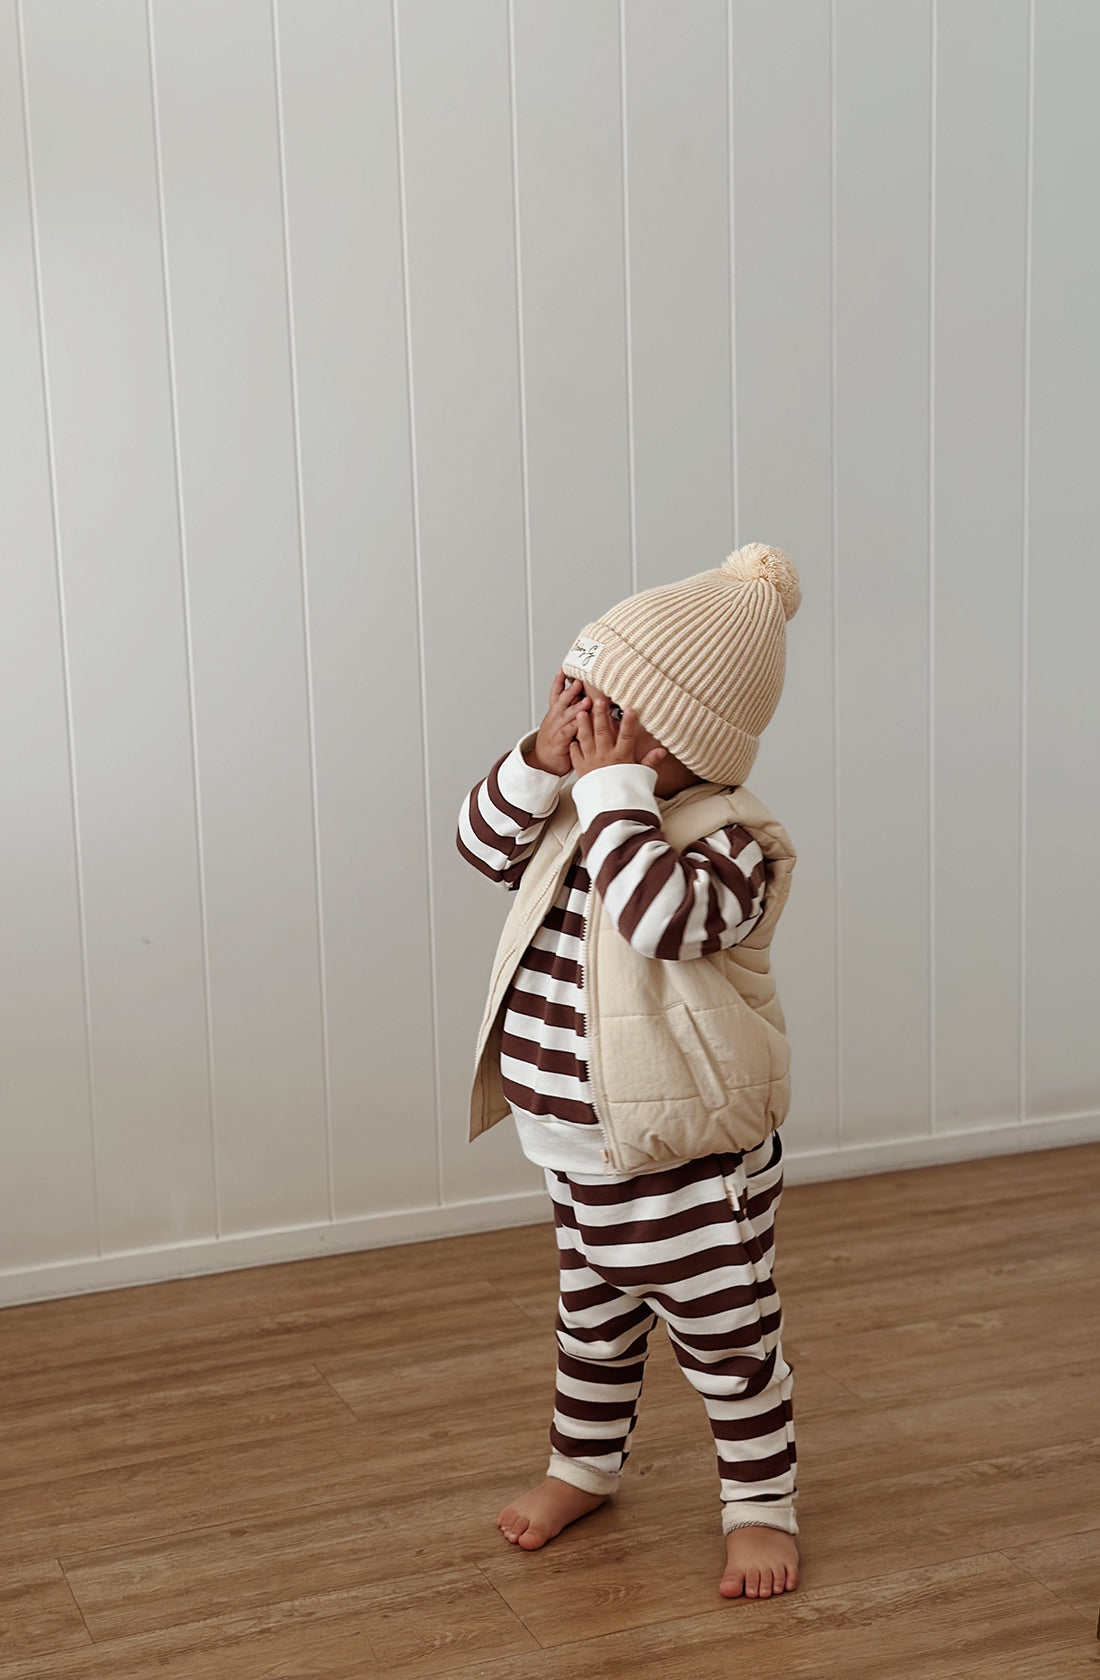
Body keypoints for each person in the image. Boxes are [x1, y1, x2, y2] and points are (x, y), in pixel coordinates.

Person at [456, 543, 801, 1600]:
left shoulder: (729, 843)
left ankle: (758, 1507)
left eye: (606, 706)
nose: (580, 718)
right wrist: (537, 760)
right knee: (592, 1326)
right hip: (575, 1151)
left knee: (725, 1341)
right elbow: (478, 846)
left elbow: (657, 920)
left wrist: (609, 793)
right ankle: (583, 1466)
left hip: (688, 1162)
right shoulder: (580, 811)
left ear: (677, 738)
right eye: (573, 697)